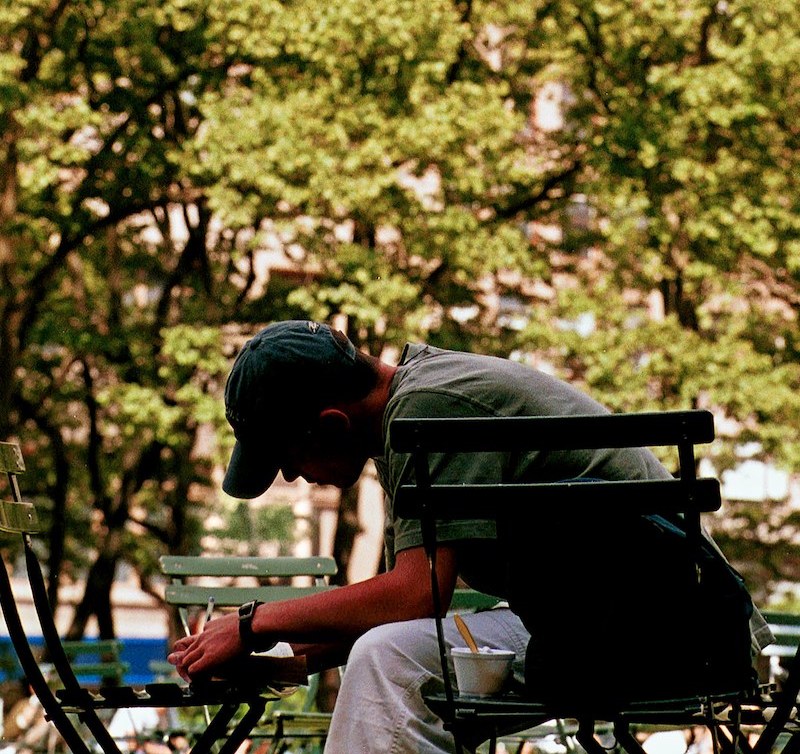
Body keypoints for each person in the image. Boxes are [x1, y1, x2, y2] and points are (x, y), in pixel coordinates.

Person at [168, 321, 771, 754]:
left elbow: (416, 597)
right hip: (601, 624)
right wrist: (286, 660)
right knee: (387, 654)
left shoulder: (426, 410)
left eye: (288, 457)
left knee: (387, 660)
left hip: (677, 630)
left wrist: (251, 624)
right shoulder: (413, 403)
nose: (293, 476)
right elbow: (401, 612)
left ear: (331, 424)